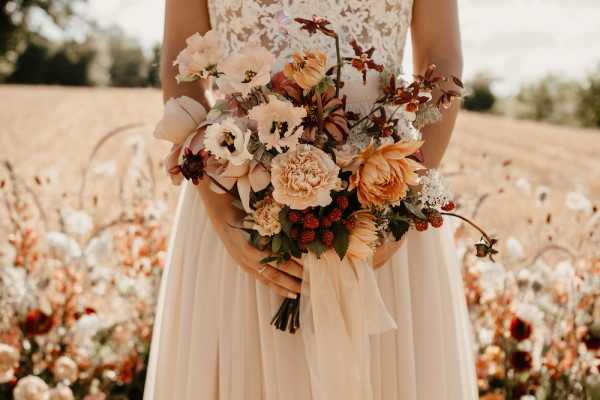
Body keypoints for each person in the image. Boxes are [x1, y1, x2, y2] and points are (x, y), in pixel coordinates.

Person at [144, 0, 477, 399]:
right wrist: (220, 211)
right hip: (235, 202)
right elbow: (180, 65)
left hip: (384, 205)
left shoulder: (392, 205)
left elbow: (441, 60)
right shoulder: (226, 211)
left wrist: (399, 201)